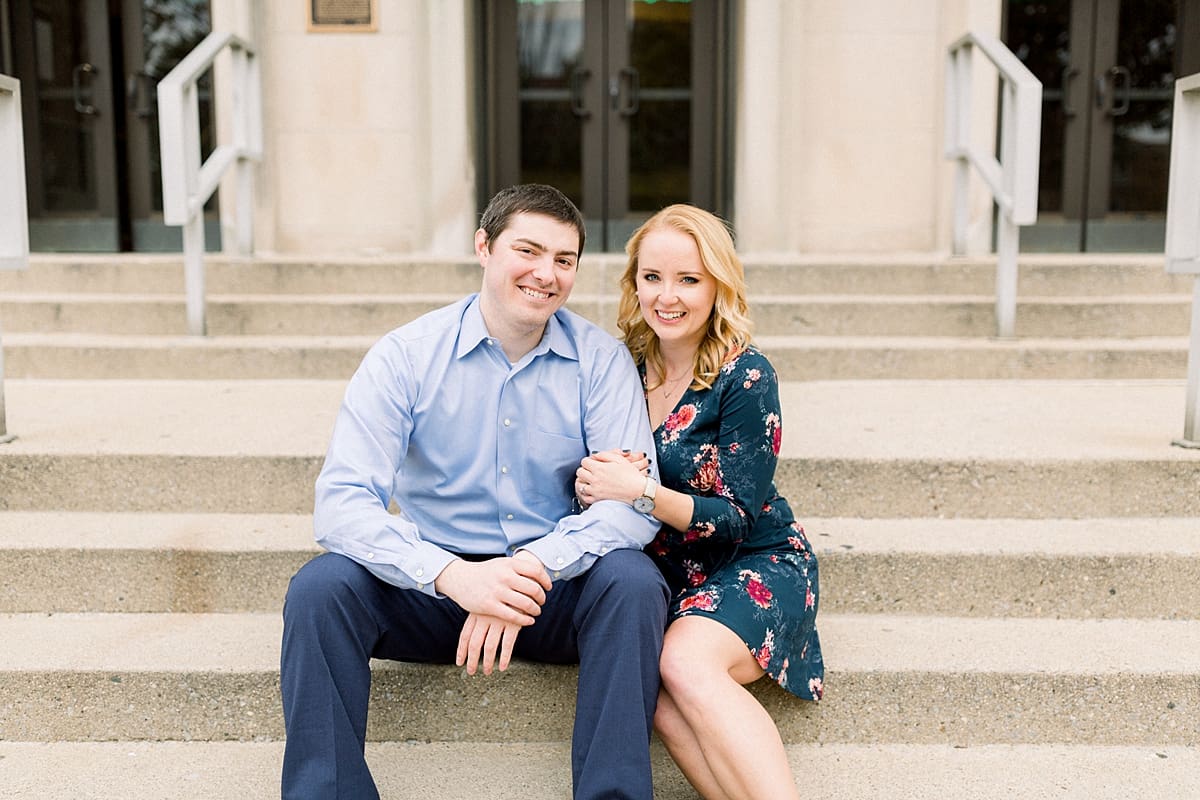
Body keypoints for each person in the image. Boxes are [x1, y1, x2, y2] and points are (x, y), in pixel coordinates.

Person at [280, 184, 670, 800]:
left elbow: (632, 510)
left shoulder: (601, 362)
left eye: (564, 260)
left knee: (633, 581)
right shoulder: (405, 356)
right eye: (528, 251)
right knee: (320, 589)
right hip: (433, 588)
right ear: (484, 247)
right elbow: (342, 503)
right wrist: (454, 576)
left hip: (550, 585)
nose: (546, 274)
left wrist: (529, 567)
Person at [574, 204, 823, 800]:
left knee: (683, 663)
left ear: (718, 285)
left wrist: (641, 492)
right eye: (652, 277)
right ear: (634, 282)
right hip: (669, 578)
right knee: (656, 695)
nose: (668, 297)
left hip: (754, 561)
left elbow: (735, 517)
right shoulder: (621, 366)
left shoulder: (746, 375)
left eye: (688, 279)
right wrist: (589, 483)